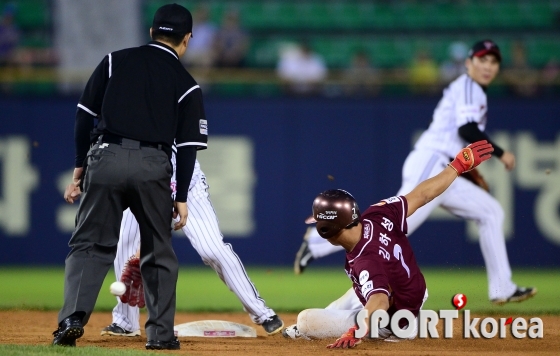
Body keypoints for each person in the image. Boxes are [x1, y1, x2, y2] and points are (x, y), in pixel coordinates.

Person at [294, 40, 537, 306]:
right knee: (392, 226)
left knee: (491, 212)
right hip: (431, 161)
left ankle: (502, 287)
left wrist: (463, 172)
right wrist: (502, 153)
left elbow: (459, 135)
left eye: (493, 61)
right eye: (482, 60)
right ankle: (317, 241)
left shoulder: (471, 90)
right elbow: (467, 129)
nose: (488, 66)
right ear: (469, 64)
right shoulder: (469, 86)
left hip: (445, 168)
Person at [54, 4, 203, 350]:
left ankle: (72, 319)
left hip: (105, 158)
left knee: (89, 243)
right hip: (153, 165)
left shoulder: (112, 61)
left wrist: (80, 165)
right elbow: (190, 146)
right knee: (158, 251)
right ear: (187, 40)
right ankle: (160, 336)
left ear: (151, 32)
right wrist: (180, 198)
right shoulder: (187, 84)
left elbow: (83, 116)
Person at [284, 141, 494, 346]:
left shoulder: (366, 260)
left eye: (319, 222)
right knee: (353, 294)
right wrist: (457, 166)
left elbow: (380, 301)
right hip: (411, 289)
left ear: (326, 229)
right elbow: (422, 195)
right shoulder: (378, 213)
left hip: (395, 319)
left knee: (306, 321)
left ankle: (393, 331)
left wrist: (359, 329)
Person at [101, 153, 284, 337]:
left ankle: (262, 313)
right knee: (125, 244)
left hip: (187, 186)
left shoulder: (178, 123)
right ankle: (125, 322)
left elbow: (185, 152)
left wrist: (146, 245)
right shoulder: (131, 126)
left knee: (212, 250)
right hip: (140, 186)